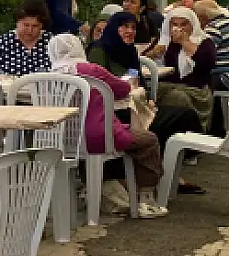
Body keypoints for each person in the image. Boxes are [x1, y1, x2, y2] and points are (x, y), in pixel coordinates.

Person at [50, 35, 168, 218]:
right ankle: (146, 198)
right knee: (149, 140)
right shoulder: (91, 70)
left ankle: (90, 189)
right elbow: (122, 89)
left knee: (89, 152)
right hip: (97, 136)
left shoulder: (47, 75)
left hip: (59, 138)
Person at [153, 6, 217, 130]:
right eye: (175, 24)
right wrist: (154, 53)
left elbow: (207, 62)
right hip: (165, 86)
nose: (179, 28)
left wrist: (184, 42)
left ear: (192, 25)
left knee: (176, 97)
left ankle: (186, 133)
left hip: (195, 91)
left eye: (184, 24)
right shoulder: (164, 40)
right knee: (145, 94)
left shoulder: (204, 41)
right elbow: (145, 58)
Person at [0, 0, 54, 75]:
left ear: (42, 25)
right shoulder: (2, 43)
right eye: (26, 25)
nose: (30, 30)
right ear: (17, 22)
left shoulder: (53, 43)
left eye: (35, 26)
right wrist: (2, 76)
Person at [88, 11, 145, 80]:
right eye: (126, 26)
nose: (130, 31)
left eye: (133, 28)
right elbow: (97, 82)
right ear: (114, 27)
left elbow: (139, 79)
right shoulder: (98, 49)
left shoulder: (131, 50)